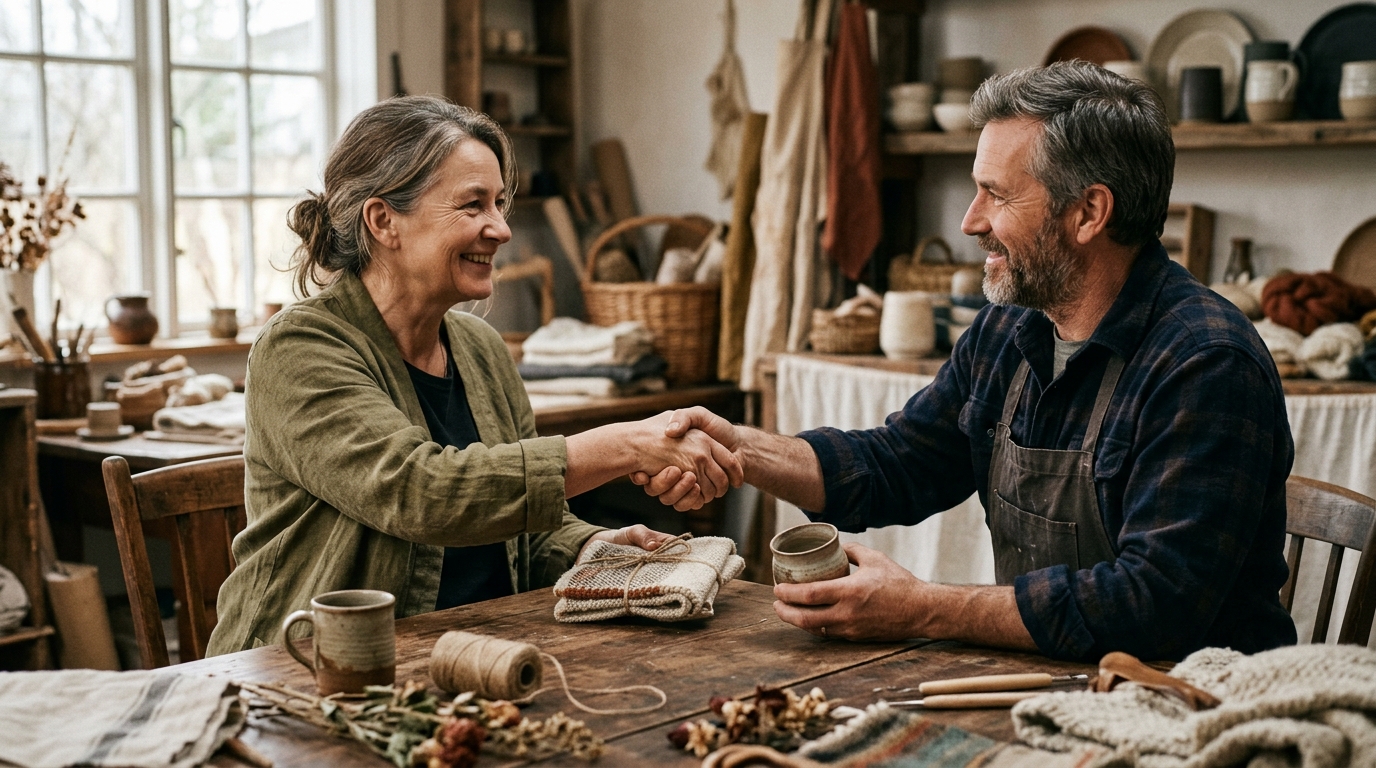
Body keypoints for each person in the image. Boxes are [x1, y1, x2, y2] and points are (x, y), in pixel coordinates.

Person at [637, 61, 1297, 662]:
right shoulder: (1011, 328)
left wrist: (924, 607)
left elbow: (1154, 607)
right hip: (1050, 677)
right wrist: (740, 451)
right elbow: (900, 462)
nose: (970, 221)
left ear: (1090, 212)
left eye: (996, 194)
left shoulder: (1205, 362)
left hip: (1194, 707)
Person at [208, 97, 738, 655]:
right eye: (473, 205)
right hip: (311, 670)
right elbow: (420, 492)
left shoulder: (481, 349)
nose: (501, 228)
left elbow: (525, 531)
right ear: (383, 220)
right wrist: (626, 444)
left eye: (500, 204)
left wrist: (593, 544)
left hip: (468, 658)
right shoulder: (298, 348)